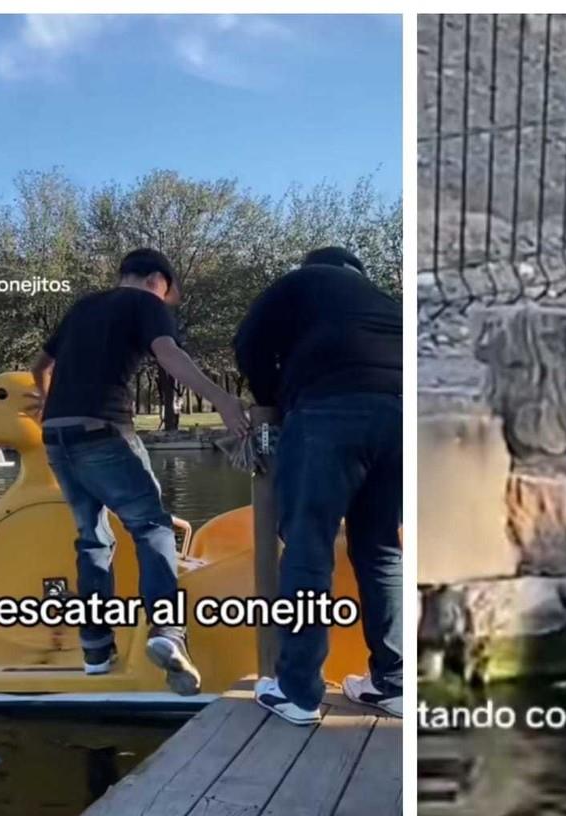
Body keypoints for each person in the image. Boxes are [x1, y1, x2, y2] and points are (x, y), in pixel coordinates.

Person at [30, 248, 249, 691]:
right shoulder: (145, 304)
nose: (166, 304)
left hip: (57, 434)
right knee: (153, 528)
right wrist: (222, 400)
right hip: (104, 432)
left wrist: (45, 405)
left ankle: (95, 649)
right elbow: (168, 354)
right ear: (156, 279)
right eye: (169, 294)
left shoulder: (83, 307)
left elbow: (39, 366)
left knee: (93, 538)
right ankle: (168, 633)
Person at [234, 246, 403, 724]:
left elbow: (248, 343)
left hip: (330, 408)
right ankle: (392, 684)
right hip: (404, 413)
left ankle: (299, 692)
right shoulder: (383, 300)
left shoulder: (300, 282)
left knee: (308, 547)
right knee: (383, 550)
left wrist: (274, 400)